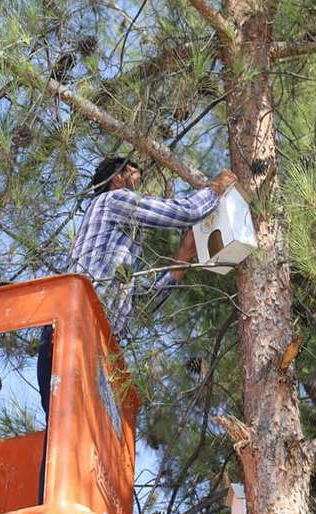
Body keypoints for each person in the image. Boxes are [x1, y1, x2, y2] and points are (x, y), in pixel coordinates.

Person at [36, 157, 237, 414]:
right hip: (72, 333)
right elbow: (184, 212)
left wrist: (183, 257)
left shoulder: (118, 248)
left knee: (70, 434)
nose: (140, 190)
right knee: (64, 432)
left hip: (90, 345)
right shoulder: (113, 201)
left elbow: (137, 306)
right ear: (117, 178)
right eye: (135, 177)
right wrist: (216, 189)